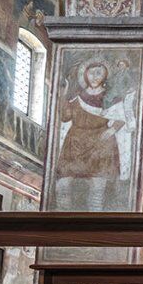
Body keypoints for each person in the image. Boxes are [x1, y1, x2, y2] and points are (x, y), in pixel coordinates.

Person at [55, 60, 126, 210]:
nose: (94, 77)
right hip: (75, 141)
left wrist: (111, 130)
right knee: (63, 185)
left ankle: (95, 226)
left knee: (96, 190)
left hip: (100, 142)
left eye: (99, 73)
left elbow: (120, 118)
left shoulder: (110, 97)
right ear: (85, 74)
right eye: (91, 72)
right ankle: (63, 224)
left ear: (105, 76)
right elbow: (65, 117)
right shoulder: (76, 96)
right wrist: (63, 94)